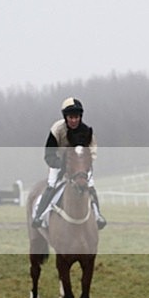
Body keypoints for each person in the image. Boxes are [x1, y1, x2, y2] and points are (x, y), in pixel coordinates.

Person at [32, 97, 106, 229]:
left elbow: (92, 153)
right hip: (58, 163)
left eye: (76, 117)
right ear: (65, 117)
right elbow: (49, 154)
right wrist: (60, 164)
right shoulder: (57, 129)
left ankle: (98, 215)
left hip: (80, 166)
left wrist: (82, 165)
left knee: (90, 185)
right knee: (52, 185)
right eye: (71, 117)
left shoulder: (86, 131)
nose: (74, 120)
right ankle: (39, 215)